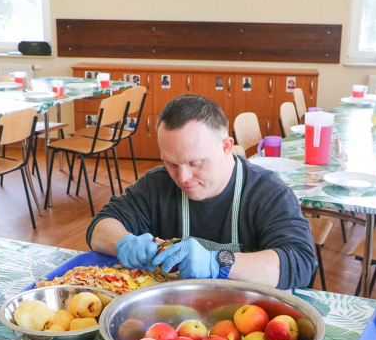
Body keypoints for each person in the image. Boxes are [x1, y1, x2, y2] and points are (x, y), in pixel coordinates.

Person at [87, 94, 316, 290]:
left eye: (195, 163)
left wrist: (219, 262)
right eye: (172, 164)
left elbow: (301, 263)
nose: (183, 178)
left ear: (226, 147)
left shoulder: (268, 193)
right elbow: (100, 226)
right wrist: (123, 241)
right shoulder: (157, 184)